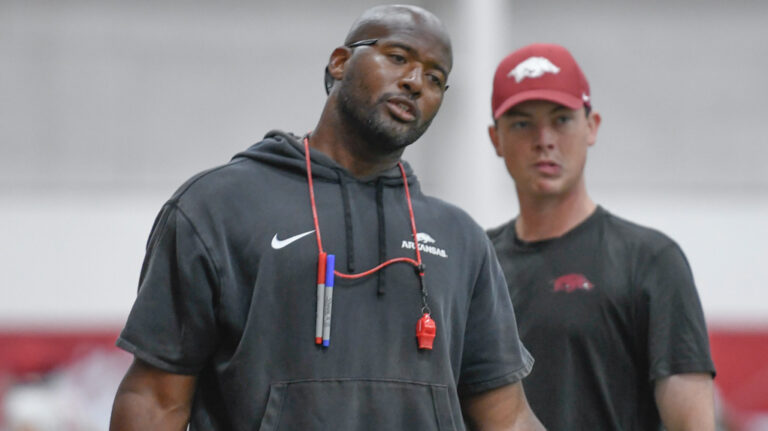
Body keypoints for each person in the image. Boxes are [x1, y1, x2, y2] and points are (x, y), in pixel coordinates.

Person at [110, 5, 545, 430]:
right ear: (340, 62)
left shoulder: (459, 238)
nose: (415, 82)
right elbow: (155, 399)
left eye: (435, 78)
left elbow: (506, 416)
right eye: (398, 57)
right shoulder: (217, 207)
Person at [486, 43, 716, 430]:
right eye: (522, 124)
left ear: (591, 127)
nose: (544, 139)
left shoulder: (649, 261)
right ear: (496, 139)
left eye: (561, 120)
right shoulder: (475, 263)